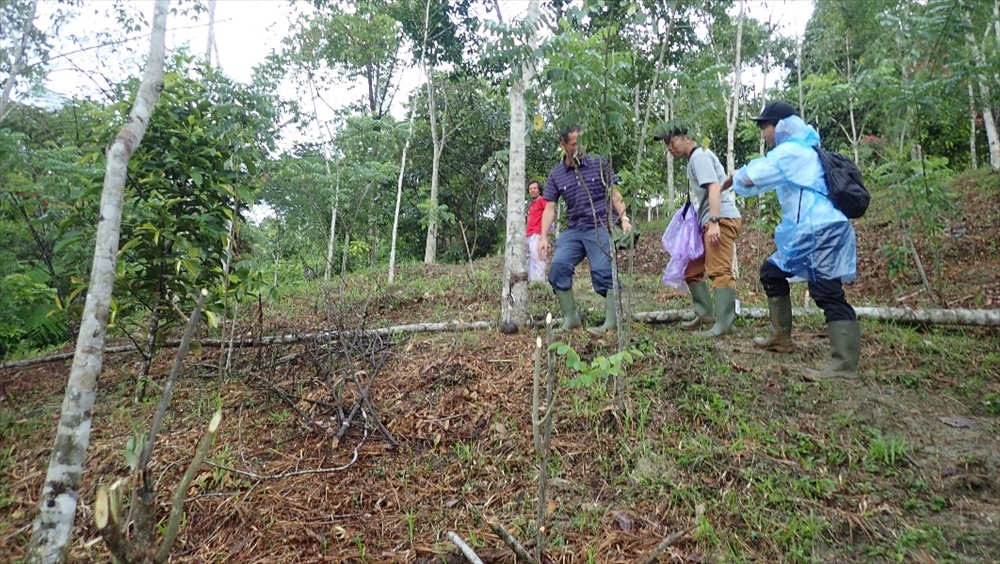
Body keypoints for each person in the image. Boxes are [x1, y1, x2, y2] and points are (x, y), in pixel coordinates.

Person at [721, 101, 860, 380]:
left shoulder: (793, 152)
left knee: (826, 291)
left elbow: (754, 176)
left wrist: (735, 176)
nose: (763, 134)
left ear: (782, 125)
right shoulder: (799, 152)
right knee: (771, 272)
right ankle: (780, 337)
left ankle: (845, 364)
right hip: (809, 231)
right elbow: (761, 180)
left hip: (821, 229)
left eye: (766, 126)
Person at [539, 124, 632, 333]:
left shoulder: (598, 162)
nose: (580, 147)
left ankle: (611, 322)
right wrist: (543, 237)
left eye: (582, 142)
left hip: (599, 226)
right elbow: (550, 208)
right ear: (563, 145)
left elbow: (615, 194)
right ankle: (571, 319)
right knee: (558, 267)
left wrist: (624, 219)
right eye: (574, 144)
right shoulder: (556, 174)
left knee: (603, 271)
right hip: (574, 229)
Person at [653, 122, 742, 338]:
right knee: (692, 268)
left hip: (720, 218)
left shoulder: (699, 157)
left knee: (719, 270)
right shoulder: (696, 157)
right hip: (709, 218)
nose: (670, 148)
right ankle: (706, 315)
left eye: (672, 142)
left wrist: (714, 222)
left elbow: (714, 188)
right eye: (667, 144)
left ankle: (725, 325)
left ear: (685, 137)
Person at [526, 180, 547, 282]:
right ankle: (531, 283)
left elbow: (549, 213)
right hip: (529, 234)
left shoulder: (542, 200)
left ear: (539, 190)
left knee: (538, 258)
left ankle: (539, 284)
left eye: (535, 188)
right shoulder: (531, 204)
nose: (532, 190)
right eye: (530, 189)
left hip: (538, 233)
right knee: (529, 259)